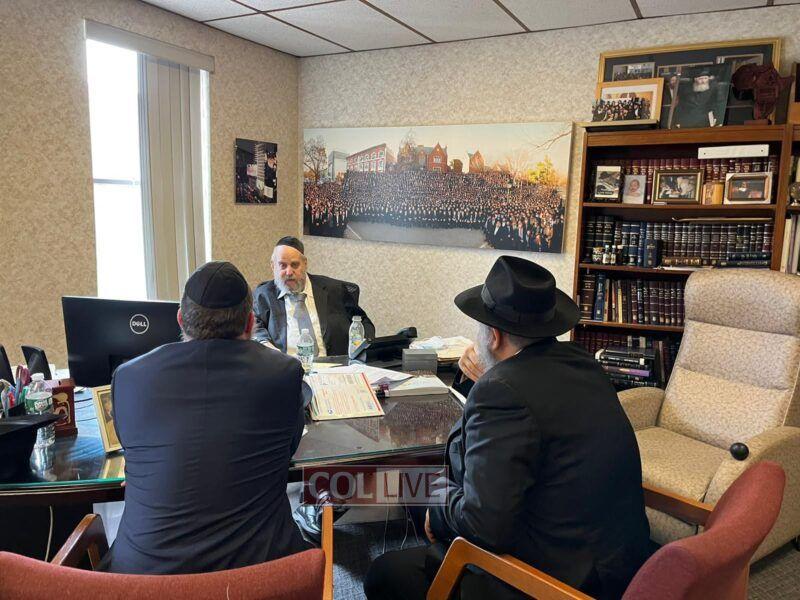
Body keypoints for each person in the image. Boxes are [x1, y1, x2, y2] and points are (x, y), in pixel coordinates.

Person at [365, 256, 651, 600]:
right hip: (618, 567)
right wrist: (493, 376)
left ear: (494, 336)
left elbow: (484, 527)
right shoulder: (583, 363)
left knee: (385, 571)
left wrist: (437, 507)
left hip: (556, 583)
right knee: (425, 493)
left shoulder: (502, 391)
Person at [104, 261, 309, 574]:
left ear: (180, 319)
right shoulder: (284, 373)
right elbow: (289, 447)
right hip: (263, 580)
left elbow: (133, 454)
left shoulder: (128, 377)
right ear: (250, 323)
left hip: (142, 584)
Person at [253, 236, 375, 356]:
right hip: (288, 365)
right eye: (282, 265)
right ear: (273, 266)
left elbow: (363, 322)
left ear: (305, 264)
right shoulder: (263, 295)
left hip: (334, 364)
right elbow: (255, 328)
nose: (289, 272)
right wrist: (268, 348)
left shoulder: (335, 290)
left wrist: (360, 350)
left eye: (294, 265)